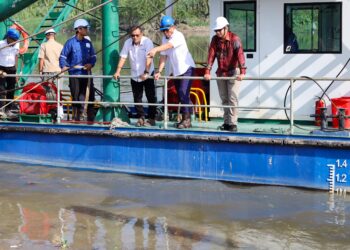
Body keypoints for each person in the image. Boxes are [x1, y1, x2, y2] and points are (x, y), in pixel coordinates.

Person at [147, 15, 195, 129]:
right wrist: (159, 71)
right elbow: (163, 56)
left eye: (167, 30)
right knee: (180, 94)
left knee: (183, 93)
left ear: (173, 27)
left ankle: (187, 119)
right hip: (177, 71)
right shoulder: (164, 39)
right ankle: (185, 118)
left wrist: (155, 49)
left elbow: (168, 46)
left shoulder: (178, 35)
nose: (166, 33)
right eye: (164, 31)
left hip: (187, 69)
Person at [204, 16, 246, 132]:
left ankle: (233, 123)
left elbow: (240, 55)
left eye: (219, 30)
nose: (217, 32)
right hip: (221, 72)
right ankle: (226, 122)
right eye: (216, 30)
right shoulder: (214, 40)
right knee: (224, 98)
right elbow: (211, 56)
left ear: (226, 28)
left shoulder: (235, 39)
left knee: (232, 98)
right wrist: (207, 71)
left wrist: (242, 72)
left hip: (233, 72)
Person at [113, 26, 156, 127]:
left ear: (141, 34)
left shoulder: (147, 42)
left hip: (147, 73)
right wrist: (118, 71)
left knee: (151, 96)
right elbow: (123, 56)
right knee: (137, 97)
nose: (135, 37)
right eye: (133, 35)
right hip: (134, 74)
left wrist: (146, 72)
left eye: (137, 35)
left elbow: (149, 57)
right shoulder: (128, 43)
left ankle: (152, 118)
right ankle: (141, 117)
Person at [59, 19, 96, 122]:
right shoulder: (70, 43)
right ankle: (77, 118)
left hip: (87, 74)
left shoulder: (88, 43)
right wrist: (64, 66)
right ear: (79, 29)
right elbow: (62, 57)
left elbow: (93, 56)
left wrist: (91, 64)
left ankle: (90, 119)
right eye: (85, 28)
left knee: (90, 96)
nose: (87, 30)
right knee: (76, 97)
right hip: (75, 75)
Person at [0, 28, 20, 113]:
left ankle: (9, 109)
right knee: (1, 89)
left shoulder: (17, 44)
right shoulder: (1, 44)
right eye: (13, 40)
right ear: (8, 38)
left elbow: (16, 57)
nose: (15, 42)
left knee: (11, 89)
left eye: (16, 40)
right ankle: (1, 109)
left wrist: (16, 72)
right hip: (1, 67)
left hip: (12, 68)